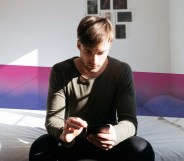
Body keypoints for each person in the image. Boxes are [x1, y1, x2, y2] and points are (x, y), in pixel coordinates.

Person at [29, 16, 155, 161]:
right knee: (40, 147)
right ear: (78, 45)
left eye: (101, 53)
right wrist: (64, 134)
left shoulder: (122, 71)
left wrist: (115, 134)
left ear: (110, 44)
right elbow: (53, 120)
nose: (94, 61)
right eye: (88, 51)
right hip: (72, 142)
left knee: (141, 149)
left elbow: (130, 122)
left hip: (108, 144)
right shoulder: (60, 71)